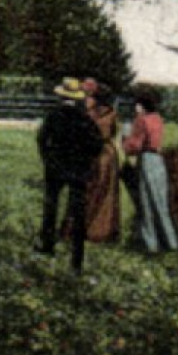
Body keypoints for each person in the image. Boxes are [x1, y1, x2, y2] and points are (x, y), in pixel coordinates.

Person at [36, 77, 106, 272]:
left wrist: (47, 160)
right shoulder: (85, 119)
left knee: (51, 207)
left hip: (55, 168)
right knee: (78, 213)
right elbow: (97, 144)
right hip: (78, 170)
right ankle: (77, 259)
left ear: (61, 96)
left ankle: (47, 245)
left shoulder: (53, 116)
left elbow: (41, 140)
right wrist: (86, 162)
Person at [123, 88, 178, 253]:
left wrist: (126, 137)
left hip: (147, 159)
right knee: (161, 202)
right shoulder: (158, 119)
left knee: (146, 202)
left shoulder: (141, 120)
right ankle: (170, 241)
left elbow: (134, 146)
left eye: (137, 105)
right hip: (158, 160)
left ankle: (151, 244)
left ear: (141, 105)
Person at [81, 85, 122, 243]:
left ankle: (86, 227)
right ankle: (104, 230)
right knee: (108, 192)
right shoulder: (112, 114)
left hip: (92, 152)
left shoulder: (89, 114)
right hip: (108, 153)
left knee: (90, 189)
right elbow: (114, 133)